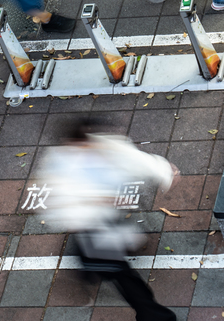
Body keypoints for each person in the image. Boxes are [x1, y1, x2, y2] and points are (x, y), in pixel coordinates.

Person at [38, 119, 179, 321]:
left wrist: (164, 170)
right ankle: (156, 316)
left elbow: (134, 159)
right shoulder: (64, 164)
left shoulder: (104, 146)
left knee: (111, 265)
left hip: (103, 222)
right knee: (123, 275)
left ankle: (89, 270)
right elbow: (66, 203)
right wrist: (101, 200)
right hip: (93, 229)